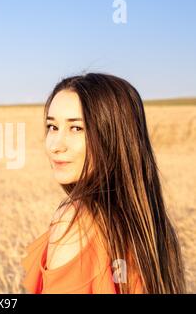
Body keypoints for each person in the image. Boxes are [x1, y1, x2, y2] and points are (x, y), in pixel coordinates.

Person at [21, 73, 187, 294]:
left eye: (76, 128)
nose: (55, 146)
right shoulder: (150, 226)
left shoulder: (75, 222)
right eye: (52, 127)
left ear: (112, 136)